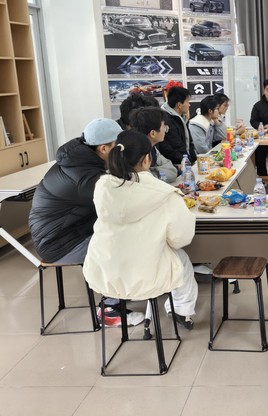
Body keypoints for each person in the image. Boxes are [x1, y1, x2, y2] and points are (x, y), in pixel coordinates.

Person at [28, 118, 143, 326]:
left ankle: (122, 288)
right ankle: (109, 309)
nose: (121, 152)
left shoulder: (83, 160)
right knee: (120, 242)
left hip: (70, 230)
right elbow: (117, 205)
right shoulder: (84, 176)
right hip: (59, 243)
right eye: (118, 147)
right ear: (103, 148)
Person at [82, 130, 198, 330]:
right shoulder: (165, 194)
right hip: (147, 276)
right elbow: (181, 239)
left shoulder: (102, 188)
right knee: (181, 259)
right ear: (146, 160)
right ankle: (181, 309)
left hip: (104, 272)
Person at [129, 107, 178, 183]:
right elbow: (145, 179)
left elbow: (172, 171)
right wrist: (156, 173)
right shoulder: (135, 153)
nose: (165, 130)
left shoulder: (153, 148)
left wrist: (153, 171)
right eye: (163, 127)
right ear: (153, 133)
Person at [158, 85, 197, 165]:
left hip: (186, 161)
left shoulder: (181, 117)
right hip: (177, 165)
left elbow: (189, 143)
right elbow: (176, 147)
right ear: (179, 105)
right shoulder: (167, 120)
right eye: (187, 102)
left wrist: (194, 160)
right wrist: (189, 162)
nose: (189, 105)